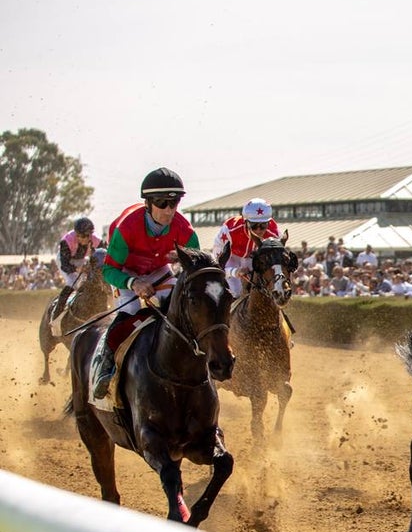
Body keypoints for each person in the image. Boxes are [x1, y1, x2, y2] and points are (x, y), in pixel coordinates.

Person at [90, 167, 200, 399]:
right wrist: (133, 283)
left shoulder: (185, 231)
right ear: (148, 203)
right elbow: (109, 270)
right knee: (129, 311)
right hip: (127, 273)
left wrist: (183, 261)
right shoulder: (126, 227)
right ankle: (106, 366)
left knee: (179, 308)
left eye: (175, 203)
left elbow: (197, 269)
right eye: (162, 203)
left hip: (159, 270)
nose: (169, 210)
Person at [213, 198, 281, 298]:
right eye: (253, 225)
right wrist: (234, 272)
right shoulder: (229, 230)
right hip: (231, 257)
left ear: (269, 223)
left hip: (253, 257)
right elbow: (218, 265)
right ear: (245, 222)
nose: (258, 230)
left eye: (263, 225)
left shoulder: (274, 235)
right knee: (236, 291)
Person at [49, 217, 104, 323]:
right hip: (65, 260)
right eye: (80, 235)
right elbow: (65, 265)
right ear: (76, 233)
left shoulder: (96, 240)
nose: (83, 239)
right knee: (72, 282)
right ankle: (57, 313)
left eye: (86, 236)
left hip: (82, 260)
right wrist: (78, 269)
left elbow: (104, 255)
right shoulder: (67, 240)